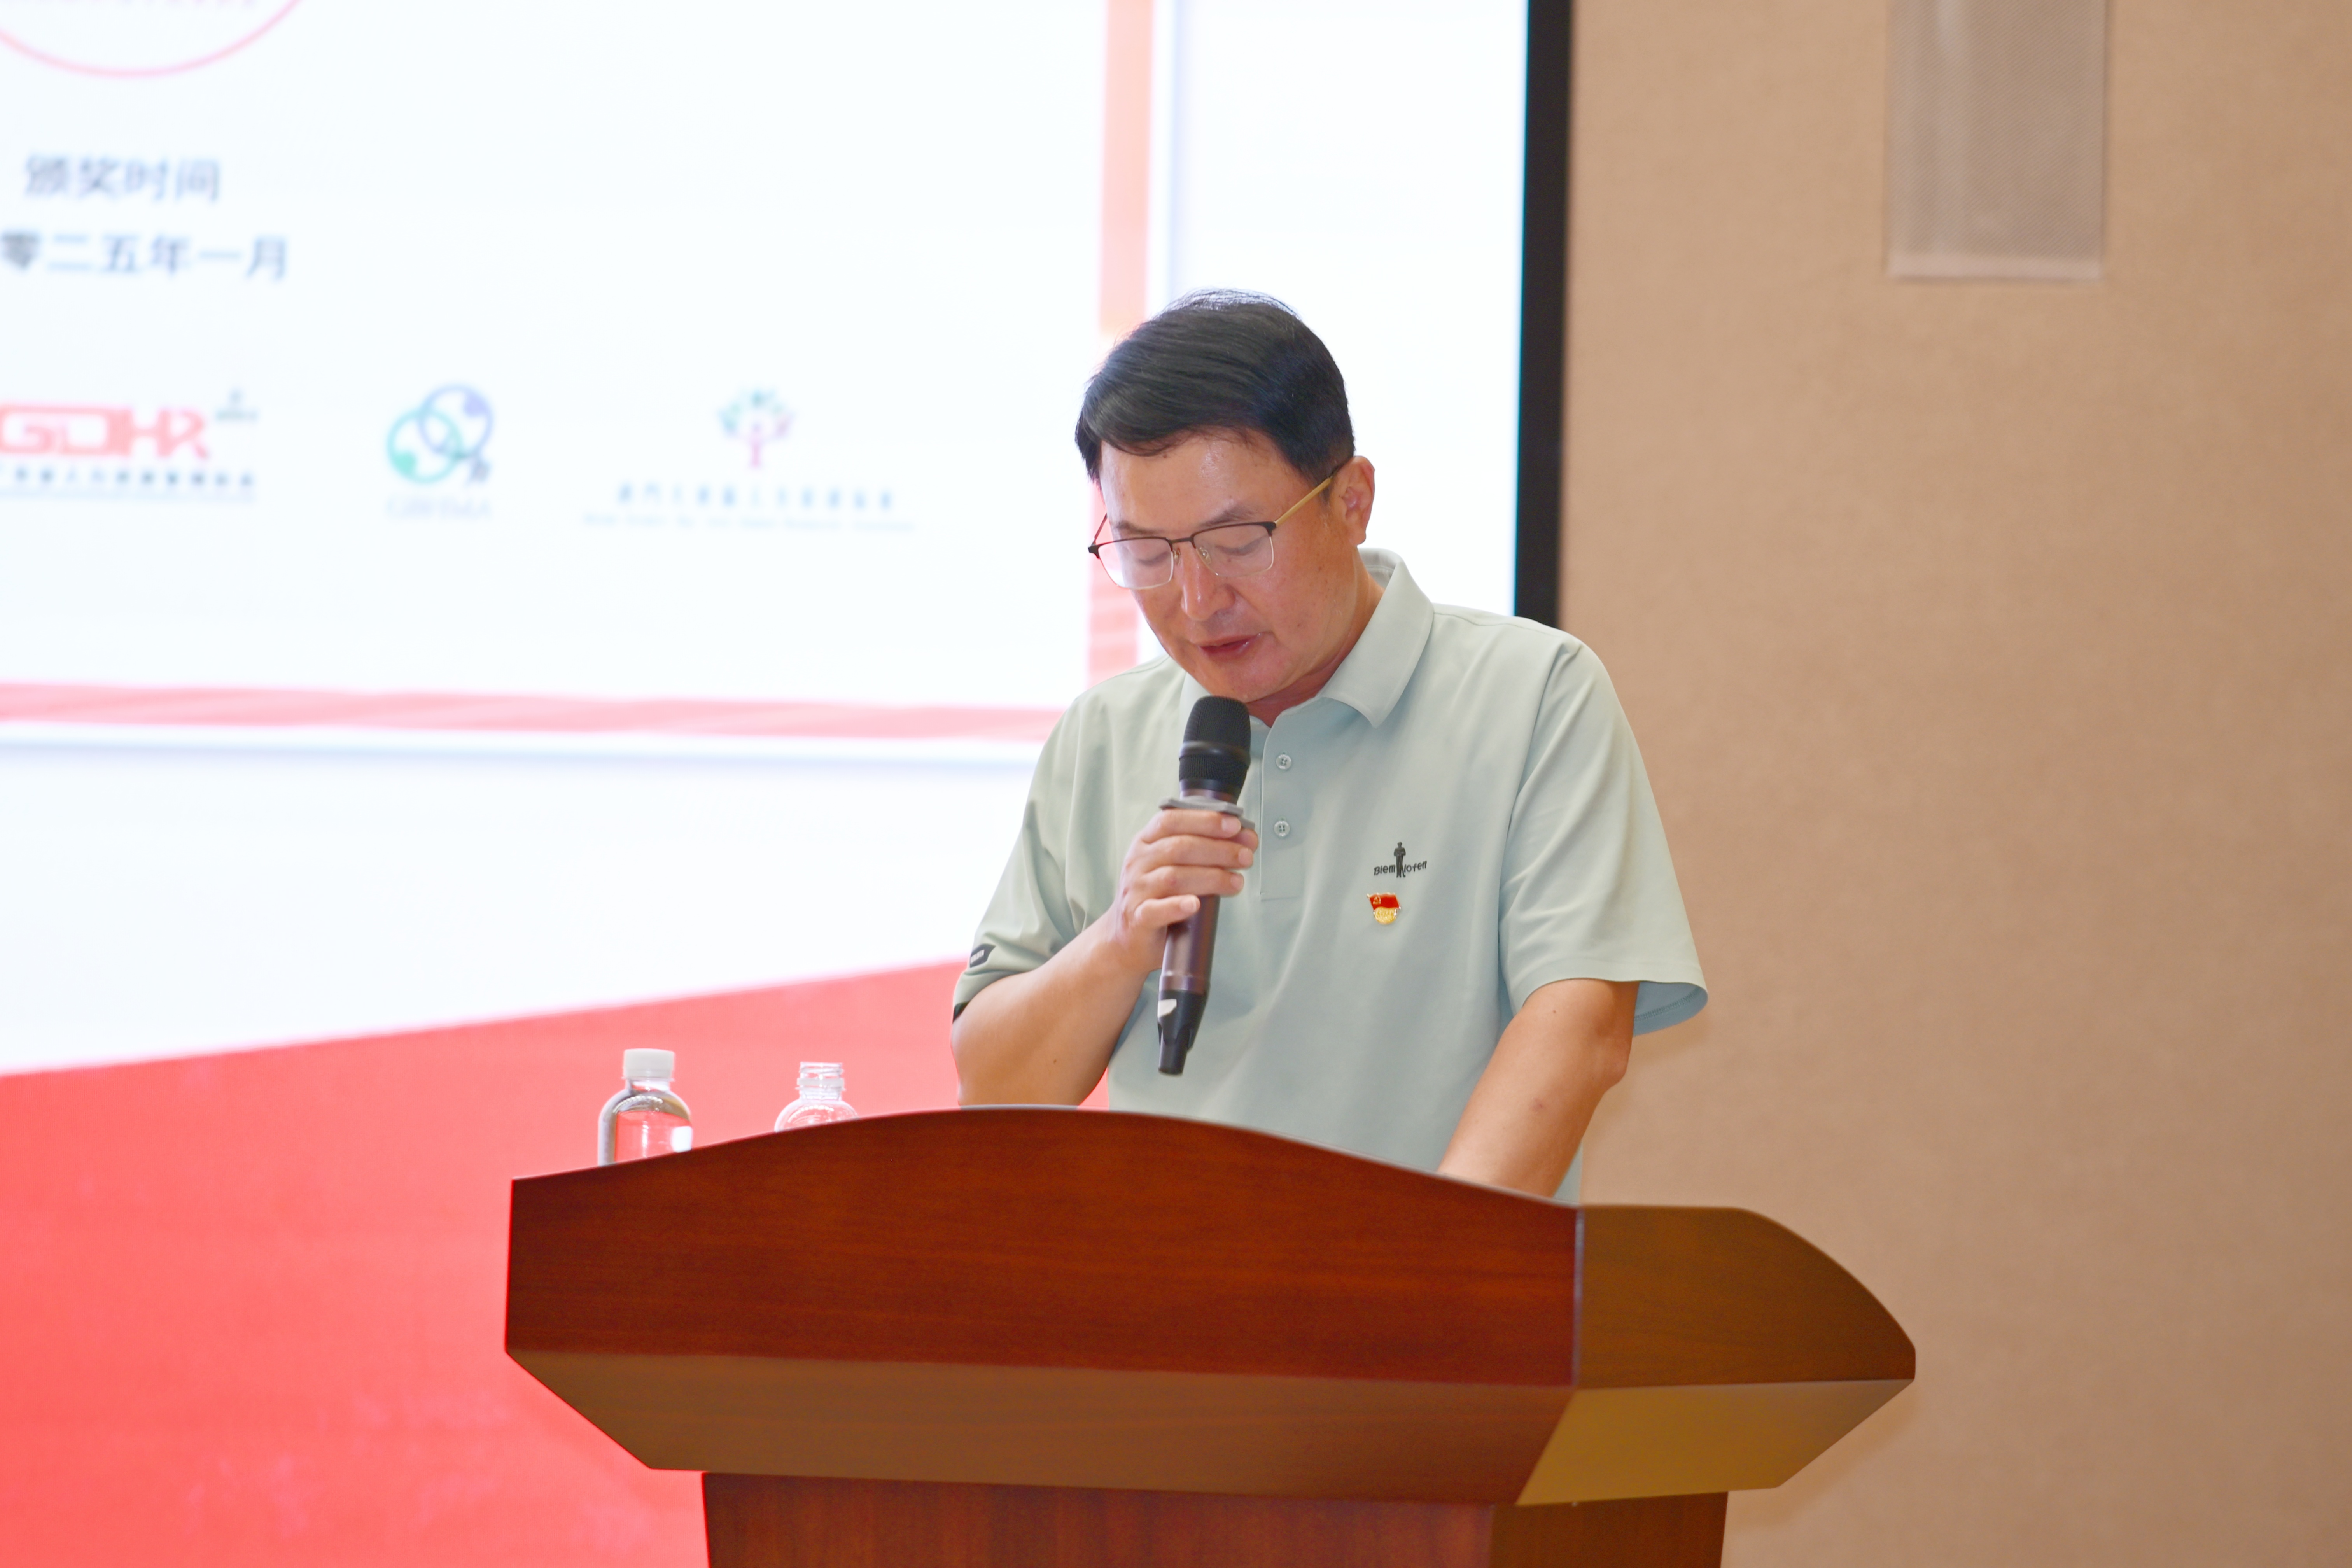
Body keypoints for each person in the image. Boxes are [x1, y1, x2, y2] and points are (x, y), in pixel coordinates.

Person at [950, 292, 1704, 1200]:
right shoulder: (1104, 735)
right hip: (1166, 1283)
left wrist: (1420, 1264)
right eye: (1147, 553)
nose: (1196, 600)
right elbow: (995, 1087)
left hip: (1430, 1274)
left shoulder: (1535, 695)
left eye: (1237, 542)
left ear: (1352, 501)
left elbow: (1581, 1030)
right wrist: (1117, 941)